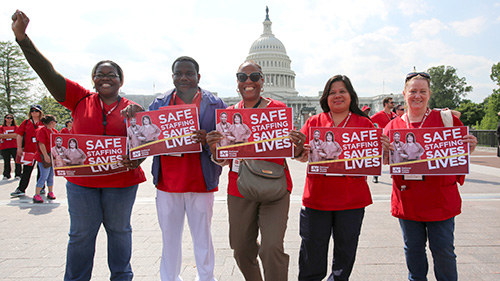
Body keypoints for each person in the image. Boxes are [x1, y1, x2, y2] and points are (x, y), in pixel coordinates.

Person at [12, 10, 146, 280]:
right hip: (82, 183)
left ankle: (122, 277)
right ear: (93, 79)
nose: (105, 78)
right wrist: (22, 38)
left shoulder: (134, 109)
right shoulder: (79, 99)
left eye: (112, 74)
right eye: (100, 74)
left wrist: (137, 158)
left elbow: (144, 145)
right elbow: (47, 72)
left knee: (120, 233)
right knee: (81, 235)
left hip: (120, 182)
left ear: (121, 80)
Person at [207, 60, 306, 281]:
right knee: (241, 250)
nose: (248, 82)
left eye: (254, 77)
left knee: (271, 248)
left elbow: (293, 152)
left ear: (263, 80)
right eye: (242, 77)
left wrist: (298, 145)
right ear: (237, 83)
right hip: (239, 187)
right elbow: (222, 159)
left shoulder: (279, 111)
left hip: (275, 186)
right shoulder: (229, 115)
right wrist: (215, 148)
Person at [383, 71, 477, 281]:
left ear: (429, 93)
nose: (417, 96)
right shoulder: (393, 126)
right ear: (404, 94)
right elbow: (385, 161)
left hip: (439, 199)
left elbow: (459, 154)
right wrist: (383, 154)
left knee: (443, 252)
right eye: (413, 91)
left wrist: (467, 148)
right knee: (413, 253)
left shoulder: (446, 119)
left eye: (422, 91)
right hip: (408, 200)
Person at [142, 56, 226, 281]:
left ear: (199, 77)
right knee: (169, 238)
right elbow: (146, 137)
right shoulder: (159, 104)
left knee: (202, 237)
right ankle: (169, 278)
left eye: (189, 73)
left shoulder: (215, 104)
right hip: (168, 182)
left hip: (201, 180)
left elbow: (226, 144)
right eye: (179, 74)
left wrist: (208, 141)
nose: (184, 78)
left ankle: (206, 278)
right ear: (172, 77)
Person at [296, 74, 387, 281]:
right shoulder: (314, 122)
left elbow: (375, 159)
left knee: (345, 254)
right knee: (311, 252)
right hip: (317, 199)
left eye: (342, 92)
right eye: (332, 92)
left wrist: (382, 149)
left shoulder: (364, 124)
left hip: (351, 200)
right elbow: (299, 152)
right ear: (326, 98)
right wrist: (301, 152)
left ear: (351, 96)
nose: (337, 96)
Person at [10, 104, 44, 197]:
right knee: (26, 170)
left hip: (42, 151)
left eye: (36, 111)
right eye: (32, 111)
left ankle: (41, 188)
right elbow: (19, 135)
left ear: (40, 112)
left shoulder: (44, 122)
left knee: (42, 171)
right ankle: (21, 189)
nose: (34, 112)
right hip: (29, 151)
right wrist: (19, 148)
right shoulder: (26, 122)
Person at [33, 114, 58, 203]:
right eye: (55, 122)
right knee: (44, 175)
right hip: (44, 155)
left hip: (52, 155)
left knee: (51, 175)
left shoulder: (54, 131)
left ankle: (50, 192)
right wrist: (45, 155)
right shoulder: (42, 130)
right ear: (52, 122)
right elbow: (41, 143)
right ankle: (37, 194)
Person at [370, 96, 396, 183]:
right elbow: (369, 121)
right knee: (379, 157)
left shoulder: (393, 115)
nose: (393, 104)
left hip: (392, 138)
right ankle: (375, 176)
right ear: (386, 104)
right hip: (382, 138)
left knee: (394, 156)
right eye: (391, 102)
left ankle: (393, 174)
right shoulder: (379, 114)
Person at [0, 113, 22, 180]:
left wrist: (6, 136)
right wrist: (12, 135)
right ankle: (6, 174)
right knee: (6, 161)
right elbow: (1, 135)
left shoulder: (16, 127)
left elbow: (17, 135)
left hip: (14, 146)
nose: (9, 119)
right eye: (8, 118)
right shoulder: (1, 127)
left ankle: (18, 174)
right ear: (5, 119)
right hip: (4, 146)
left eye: (11, 118)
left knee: (17, 161)